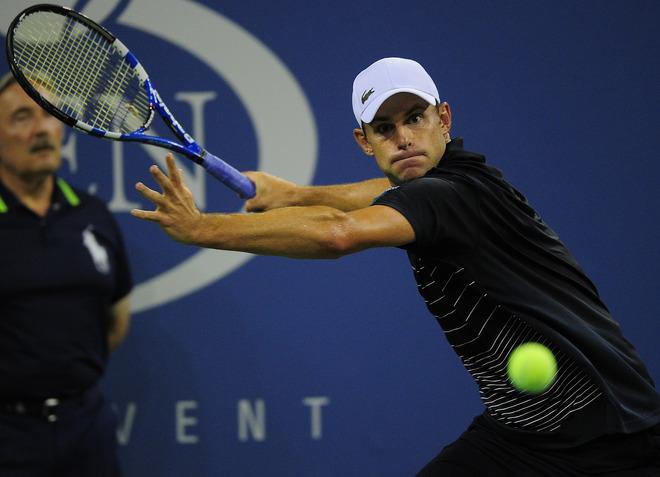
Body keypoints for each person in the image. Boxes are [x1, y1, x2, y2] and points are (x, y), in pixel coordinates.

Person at [131, 57, 660, 475]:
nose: (404, 138)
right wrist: (296, 193)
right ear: (364, 141)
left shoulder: (447, 196)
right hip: (523, 435)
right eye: (384, 128)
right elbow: (383, 190)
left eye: (415, 118)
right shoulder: (460, 176)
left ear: (443, 118)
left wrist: (203, 228)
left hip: (609, 437)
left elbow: (338, 235)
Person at [0, 71, 133, 476]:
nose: (41, 128)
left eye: (51, 113)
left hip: (86, 428)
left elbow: (116, 322)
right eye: (22, 117)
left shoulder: (93, 216)